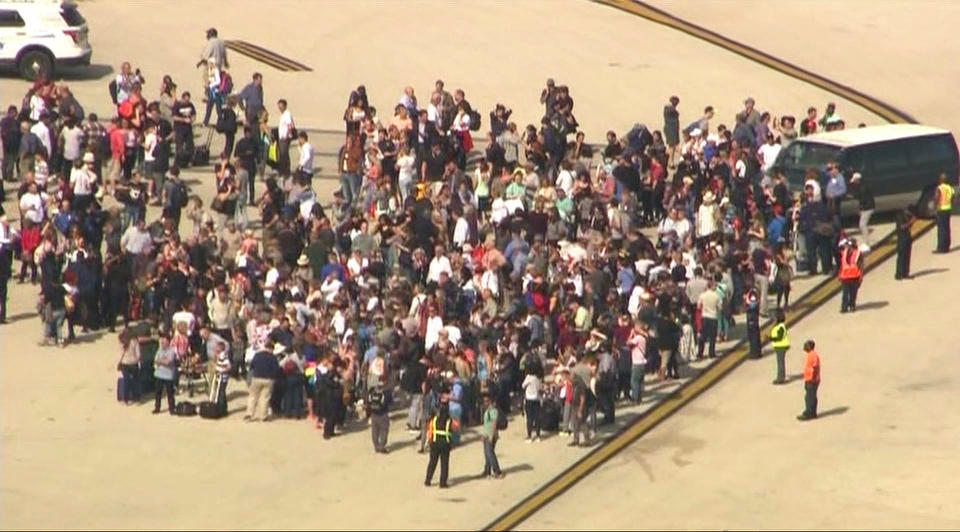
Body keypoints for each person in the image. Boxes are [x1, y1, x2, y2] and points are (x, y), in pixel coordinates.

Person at [424, 399, 457, 488]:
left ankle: (428, 480)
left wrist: (429, 440)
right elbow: (456, 427)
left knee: (432, 462)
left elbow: (430, 430)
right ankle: (443, 483)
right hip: (445, 444)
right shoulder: (449, 421)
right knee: (444, 464)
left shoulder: (434, 420)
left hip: (434, 443)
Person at [245, 343, 281, 422]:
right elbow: (276, 369)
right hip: (269, 379)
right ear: (271, 349)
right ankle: (263, 416)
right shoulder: (273, 357)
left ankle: (249, 414)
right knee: (265, 398)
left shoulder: (257, 355)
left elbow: (251, 366)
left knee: (253, 396)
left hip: (257, 377)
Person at [480, 393, 505, 479]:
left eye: (487, 401)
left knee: (490, 454)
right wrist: (484, 435)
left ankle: (497, 471)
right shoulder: (487, 411)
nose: (485, 403)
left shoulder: (493, 411)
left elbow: (494, 423)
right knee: (487, 454)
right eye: (484, 401)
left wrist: (491, 436)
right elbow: (486, 424)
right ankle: (487, 471)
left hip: (491, 436)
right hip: (487, 435)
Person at [152, 333, 177, 414]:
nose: (162, 342)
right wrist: (162, 361)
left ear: (168, 342)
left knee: (170, 393)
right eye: (162, 340)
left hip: (168, 375)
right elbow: (155, 360)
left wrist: (161, 361)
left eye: (164, 340)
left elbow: (168, 362)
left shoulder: (172, 351)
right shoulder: (159, 350)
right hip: (159, 374)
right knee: (157, 392)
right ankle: (157, 407)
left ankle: (172, 408)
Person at [797, 339, 821, 421]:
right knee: (812, 396)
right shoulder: (810, 354)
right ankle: (812, 412)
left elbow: (814, 367)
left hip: (812, 380)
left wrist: (812, 379)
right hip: (810, 379)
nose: (804, 347)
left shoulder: (813, 355)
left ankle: (809, 413)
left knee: (809, 397)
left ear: (810, 347)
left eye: (806, 345)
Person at [838, 238, 863, 313]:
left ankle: (851, 305)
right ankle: (844, 307)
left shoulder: (858, 253)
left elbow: (861, 266)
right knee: (845, 293)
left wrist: (861, 276)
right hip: (846, 277)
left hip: (854, 276)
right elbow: (842, 265)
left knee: (853, 293)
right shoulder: (844, 252)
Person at [117, 330, 141, 405]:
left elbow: (120, 354)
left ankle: (125, 399)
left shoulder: (122, 341)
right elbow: (138, 354)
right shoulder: (135, 341)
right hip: (134, 363)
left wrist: (119, 362)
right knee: (136, 381)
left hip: (125, 363)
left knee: (126, 381)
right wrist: (136, 360)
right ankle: (136, 397)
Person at [849, 172, 874, 245]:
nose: (853, 183)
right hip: (868, 207)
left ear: (858, 180)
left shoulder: (862, 188)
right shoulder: (862, 186)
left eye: (854, 181)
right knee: (863, 224)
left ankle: (866, 241)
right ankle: (866, 240)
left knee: (862, 225)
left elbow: (863, 199)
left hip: (867, 208)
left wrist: (861, 209)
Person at [367, 379, 391, 454]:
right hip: (383, 414)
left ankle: (376, 446)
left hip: (373, 414)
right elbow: (389, 401)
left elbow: (368, 402)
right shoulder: (385, 393)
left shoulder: (371, 392)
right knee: (384, 430)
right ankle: (382, 446)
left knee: (375, 431)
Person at [934, 173, 954, 253]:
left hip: (941, 209)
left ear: (941, 180)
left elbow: (937, 198)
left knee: (941, 229)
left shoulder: (939, 188)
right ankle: (947, 246)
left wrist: (935, 207)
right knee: (947, 228)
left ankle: (941, 248)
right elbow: (953, 197)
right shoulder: (950, 188)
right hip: (948, 209)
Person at [769, 310, 790, 385]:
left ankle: (780, 378)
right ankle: (780, 377)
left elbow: (779, 337)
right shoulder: (778, 326)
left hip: (781, 346)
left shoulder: (781, 326)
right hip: (779, 346)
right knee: (780, 362)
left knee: (780, 362)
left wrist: (771, 338)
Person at [521, 368, 542, 442]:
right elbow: (540, 388)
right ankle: (538, 435)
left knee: (529, 418)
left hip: (529, 399)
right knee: (537, 418)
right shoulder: (538, 378)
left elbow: (523, 386)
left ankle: (529, 436)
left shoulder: (528, 377)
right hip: (537, 399)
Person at [894, 207, 915, 280]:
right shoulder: (900, 216)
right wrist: (910, 222)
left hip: (907, 238)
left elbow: (909, 226)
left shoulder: (908, 216)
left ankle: (906, 273)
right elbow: (902, 226)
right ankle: (899, 274)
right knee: (901, 256)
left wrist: (912, 222)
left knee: (907, 256)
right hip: (902, 239)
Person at [277, 99, 295, 180]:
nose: (279, 108)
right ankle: (285, 171)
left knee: (283, 155)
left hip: (285, 138)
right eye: (279, 106)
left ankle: (285, 172)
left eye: (281, 106)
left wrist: (287, 135)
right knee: (283, 155)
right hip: (282, 138)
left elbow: (289, 125)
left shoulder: (287, 114)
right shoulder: (283, 115)